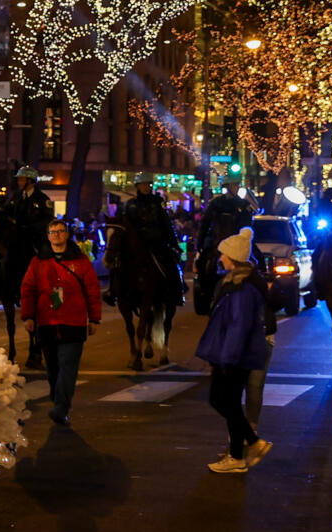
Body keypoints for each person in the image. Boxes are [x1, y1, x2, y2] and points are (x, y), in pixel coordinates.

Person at [196, 227, 274, 474]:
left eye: (223, 255)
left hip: (235, 355)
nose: (220, 258)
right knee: (225, 401)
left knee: (224, 401)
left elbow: (238, 326)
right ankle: (243, 450)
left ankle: (247, 448)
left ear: (234, 257)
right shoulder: (233, 283)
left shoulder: (242, 288)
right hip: (231, 353)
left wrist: (227, 358)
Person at [19, 217, 102, 425]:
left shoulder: (81, 261)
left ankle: (61, 407)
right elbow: (28, 290)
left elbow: (92, 290)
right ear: (48, 236)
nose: (57, 235)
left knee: (68, 365)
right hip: (47, 322)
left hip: (72, 322)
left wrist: (94, 318)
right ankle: (59, 402)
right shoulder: (38, 262)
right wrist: (28, 316)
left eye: (60, 231)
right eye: (53, 232)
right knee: (53, 368)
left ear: (66, 234)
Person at [107, 172, 181, 305]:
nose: (146, 187)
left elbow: (166, 225)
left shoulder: (158, 205)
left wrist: (174, 244)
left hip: (155, 243)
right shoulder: (130, 204)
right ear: (138, 186)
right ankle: (112, 291)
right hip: (134, 242)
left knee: (170, 263)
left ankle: (176, 292)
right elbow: (124, 223)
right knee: (116, 263)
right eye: (143, 185)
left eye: (148, 185)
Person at [194, 186, 255, 315]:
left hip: (238, 242)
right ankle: (203, 289)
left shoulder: (244, 205)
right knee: (202, 263)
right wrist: (199, 243)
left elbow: (247, 225)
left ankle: (256, 285)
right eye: (232, 184)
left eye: (236, 184)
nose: (235, 187)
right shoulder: (216, 204)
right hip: (217, 241)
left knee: (256, 260)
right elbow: (205, 224)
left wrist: (242, 238)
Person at [3, 165, 55, 253]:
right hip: (17, 237)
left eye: (21, 179)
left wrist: (31, 228)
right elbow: (8, 211)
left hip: (36, 239)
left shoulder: (42, 199)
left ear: (30, 180)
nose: (19, 182)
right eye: (18, 179)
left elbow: (47, 219)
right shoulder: (16, 196)